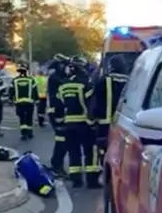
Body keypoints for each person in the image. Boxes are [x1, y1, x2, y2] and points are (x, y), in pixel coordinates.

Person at [54, 58, 101, 188]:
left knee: (73, 152)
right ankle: (92, 181)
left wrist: (59, 122)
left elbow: (59, 105)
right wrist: (92, 122)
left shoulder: (62, 86)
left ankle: (76, 179)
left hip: (69, 124)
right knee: (90, 152)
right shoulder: (85, 84)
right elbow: (91, 105)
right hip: (84, 123)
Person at [91, 55, 129, 161]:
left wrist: (93, 118)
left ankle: (102, 163)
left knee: (103, 148)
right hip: (123, 124)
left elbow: (95, 100)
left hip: (105, 123)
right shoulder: (130, 81)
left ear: (111, 66)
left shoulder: (104, 81)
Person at [47, 54, 69, 176]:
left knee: (63, 141)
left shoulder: (59, 77)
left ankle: (57, 165)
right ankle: (56, 166)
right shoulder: (56, 78)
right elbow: (56, 98)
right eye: (65, 65)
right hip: (57, 112)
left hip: (59, 112)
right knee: (61, 140)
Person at [10, 64, 38, 140]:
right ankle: (30, 133)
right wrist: (37, 100)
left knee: (22, 118)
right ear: (26, 72)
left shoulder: (14, 80)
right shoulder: (31, 80)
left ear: (19, 72)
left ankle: (24, 134)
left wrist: (10, 99)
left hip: (19, 103)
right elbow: (35, 90)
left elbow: (11, 91)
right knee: (29, 117)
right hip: (29, 102)